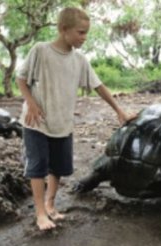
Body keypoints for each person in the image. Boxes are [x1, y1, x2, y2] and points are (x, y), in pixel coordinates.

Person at [16, 7, 134, 230]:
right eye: (81, 32)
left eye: (86, 33)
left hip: (63, 124)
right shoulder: (41, 51)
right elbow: (21, 78)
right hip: (36, 122)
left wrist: (119, 110)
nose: (84, 38)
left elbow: (99, 86)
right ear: (63, 29)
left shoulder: (79, 60)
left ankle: (51, 205)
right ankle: (40, 213)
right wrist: (31, 102)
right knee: (38, 168)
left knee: (58, 168)